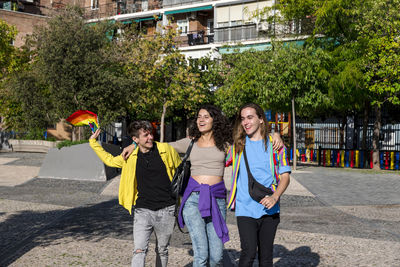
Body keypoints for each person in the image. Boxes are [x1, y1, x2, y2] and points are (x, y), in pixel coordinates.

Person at [122, 105, 284, 267]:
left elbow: (254, 137)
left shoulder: (228, 144)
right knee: (201, 254)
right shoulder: (190, 143)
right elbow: (159, 145)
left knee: (216, 257)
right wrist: (134, 145)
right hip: (193, 199)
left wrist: (275, 134)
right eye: (199, 117)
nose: (201, 120)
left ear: (215, 120)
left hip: (217, 199)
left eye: (206, 116)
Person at [89, 120, 181, 267]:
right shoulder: (129, 156)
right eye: (145, 135)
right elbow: (110, 160)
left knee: (162, 250)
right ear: (135, 139)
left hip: (167, 209)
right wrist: (93, 143)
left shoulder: (166, 150)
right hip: (142, 210)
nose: (150, 137)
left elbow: (180, 170)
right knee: (139, 250)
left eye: (150, 133)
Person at [226, 103, 291, 267]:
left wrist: (275, 197)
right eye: (242, 119)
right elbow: (217, 156)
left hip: (270, 209)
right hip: (245, 209)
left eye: (250, 117)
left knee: (266, 258)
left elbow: (285, 177)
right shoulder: (237, 147)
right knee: (247, 253)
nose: (245, 122)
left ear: (261, 119)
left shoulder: (276, 146)